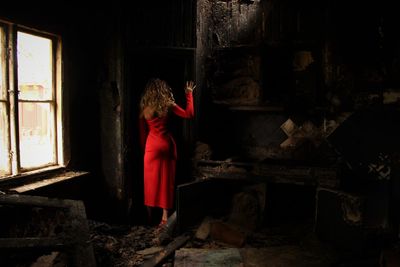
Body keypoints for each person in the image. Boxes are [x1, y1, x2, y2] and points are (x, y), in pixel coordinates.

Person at [138, 78, 195, 227]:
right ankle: (164, 219)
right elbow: (189, 114)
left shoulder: (144, 107)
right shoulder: (168, 105)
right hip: (166, 145)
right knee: (166, 182)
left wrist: (145, 150)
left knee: (150, 183)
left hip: (151, 147)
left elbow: (142, 134)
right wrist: (189, 94)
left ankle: (149, 218)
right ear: (164, 90)